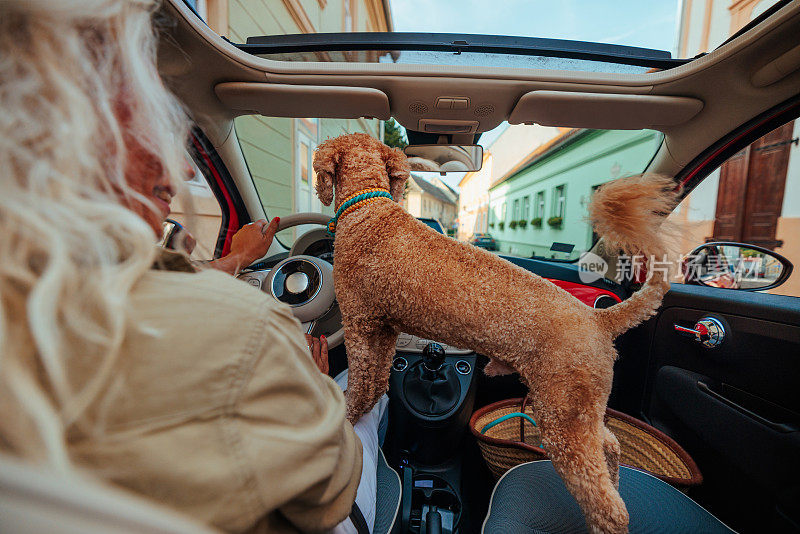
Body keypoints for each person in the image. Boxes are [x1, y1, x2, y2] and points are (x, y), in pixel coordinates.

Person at [0, 0, 382, 532]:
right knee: (363, 410)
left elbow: (163, 277)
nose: (181, 165)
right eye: (145, 105)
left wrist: (242, 259)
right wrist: (317, 387)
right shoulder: (248, 338)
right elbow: (332, 495)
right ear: (70, 116)